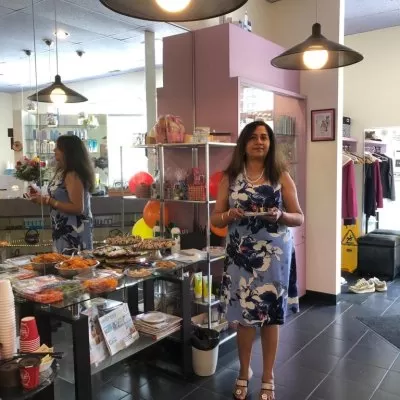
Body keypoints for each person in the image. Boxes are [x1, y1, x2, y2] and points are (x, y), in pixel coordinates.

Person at [211, 121, 304, 400]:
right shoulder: (229, 177)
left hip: (274, 255)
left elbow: (299, 217)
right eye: (253, 137)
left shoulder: (281, 176)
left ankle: (268, 376)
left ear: (270, 143)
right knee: (244, 317)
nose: (259, 142)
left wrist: (281, 215)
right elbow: (216, 218)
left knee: (269, 317)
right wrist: (229, 215)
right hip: (240, 255)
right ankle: (243, 372)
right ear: (244, 143)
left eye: (264, 137)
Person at [30, 135, 95, 254]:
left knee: (74, 263)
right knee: (62, 262)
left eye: (58, 148)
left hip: (74, 231)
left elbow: (77, 208)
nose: (54, 150)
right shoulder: (62, 172)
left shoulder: (73, 174)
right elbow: (61, 196)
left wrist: (49, 201)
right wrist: (42, 198)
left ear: (68, 152)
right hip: (62, 229)